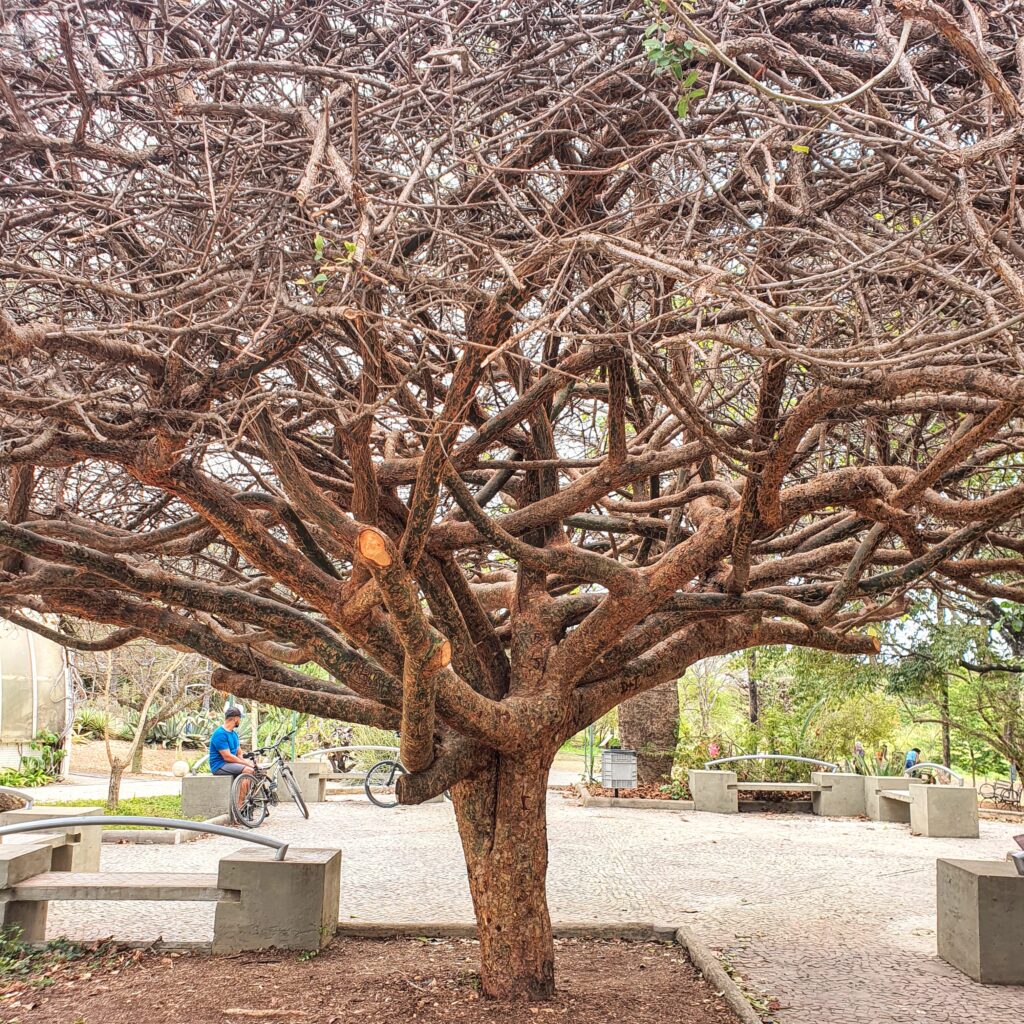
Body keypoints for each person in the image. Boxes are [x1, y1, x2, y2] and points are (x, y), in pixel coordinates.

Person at [209, 708, 255, 804]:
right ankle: (240, 806)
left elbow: (239, 753)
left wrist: (248, 763)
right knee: (249, 770)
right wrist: (246, 764)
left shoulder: (234, 734)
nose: (240, 721)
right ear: (235, 719)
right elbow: (227, 757)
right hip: (220, 765)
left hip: (230, 764)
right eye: (240, 718)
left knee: (257, 769)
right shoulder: (220, 733)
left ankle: (250, 801)